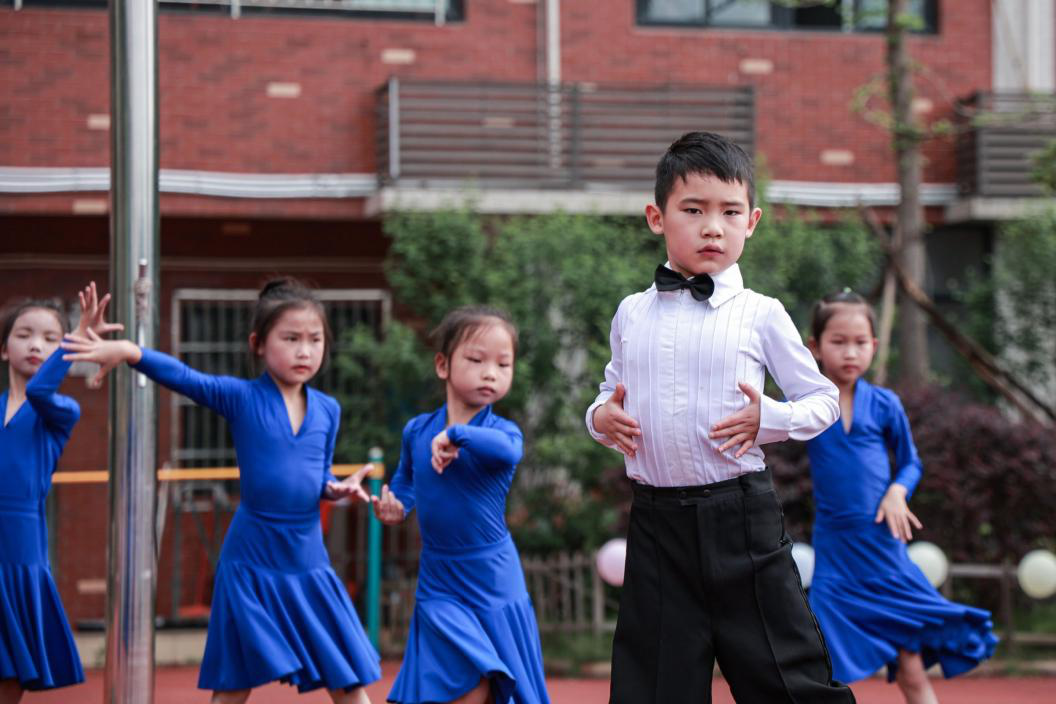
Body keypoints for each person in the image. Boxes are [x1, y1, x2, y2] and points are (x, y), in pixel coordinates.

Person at [586, 131, 855, 703]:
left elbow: (824, 400)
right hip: (656, 525)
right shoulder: (632, 313)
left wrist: (771, 420)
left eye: (730, 212)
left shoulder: (762, 314)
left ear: (751, 221)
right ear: (657, 217)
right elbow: (611, 393)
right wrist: (598, 418)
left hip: (740, 517)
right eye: (694, 210)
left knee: (785, 679)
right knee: (653, 687)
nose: (713, 226)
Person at [61, 278, 381, 704]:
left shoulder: (329, 409)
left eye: (315, 340)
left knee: (346, 678)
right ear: (259, 344)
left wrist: (335, 490)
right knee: (234, 680)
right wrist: (130, 352)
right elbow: (185, 377)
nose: (305, 351)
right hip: (250, 558)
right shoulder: (240, 397)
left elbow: (316, 477)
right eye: (291, 339)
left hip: (307, 559)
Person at [804, 290, 997, 703]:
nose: (850, 352)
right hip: (835, 558)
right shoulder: (805, 403)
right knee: (822, 664)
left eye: (860, 343)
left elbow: (911, 463)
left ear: (874, 346)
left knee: (911, 667)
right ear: (815, 347)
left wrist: (896, 491)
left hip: (884, 553)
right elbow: (767, 428)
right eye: (838, 342)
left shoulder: (886, 404)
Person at [372, 306, 549, 704]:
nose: (491, 372)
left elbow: (507, 453)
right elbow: (406, 481)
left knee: (492, 687)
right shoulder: (417, 431)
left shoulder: (502, 432)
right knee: (464, 682)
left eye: (504, 364)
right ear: (442, 365)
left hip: (493, 579)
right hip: (439, 582)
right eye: (476, 359)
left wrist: (457, 434)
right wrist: (396, 507)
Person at [0, 283, 120, 703]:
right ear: (3, 349)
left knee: (10, 665)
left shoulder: (62, 411)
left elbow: (37, 391)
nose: (36, 345)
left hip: (20, 546)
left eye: (51, 339)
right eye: (24, 334)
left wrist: (73, 342)